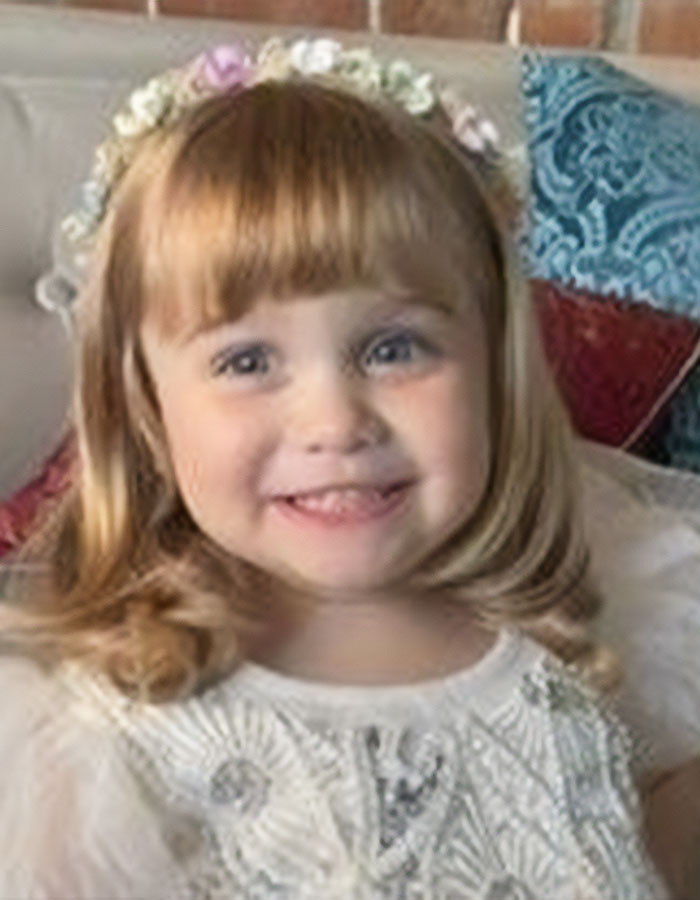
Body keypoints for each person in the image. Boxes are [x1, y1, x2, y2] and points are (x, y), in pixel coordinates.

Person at [0, 37, 683, 899]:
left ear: (495, 371)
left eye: (396, 347)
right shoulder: (106, 738)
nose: (335, 421)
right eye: (247, 361)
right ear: (145, 406)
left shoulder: (568, 665)